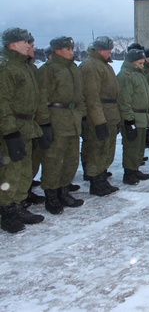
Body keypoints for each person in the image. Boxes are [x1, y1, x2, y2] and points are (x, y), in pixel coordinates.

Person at [0, 27, 48, 233]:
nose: (29, 45)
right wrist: (10, 132)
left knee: (24, 171)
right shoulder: (7, 67)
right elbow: (2, 102)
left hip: (27, 126)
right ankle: (6, 211)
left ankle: (18, 205)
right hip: (13, 127)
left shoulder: (25, 66)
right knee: (11, 172)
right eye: (24, 42)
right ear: (12, 45)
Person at [36, 36, 86, 214]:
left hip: (73, 119)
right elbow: (41, 98)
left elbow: (81, 96)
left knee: (71, 159)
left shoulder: (74, 68)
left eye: (72, 49)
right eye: (67, 49)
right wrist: (44, 123)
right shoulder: (48, 70)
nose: (71, 52)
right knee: (53, 159)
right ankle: (51, 195)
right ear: (57, 51)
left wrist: (82, 114)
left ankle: (63, 191)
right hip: (56, 119)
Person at [79, 36, 120, 196]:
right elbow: (92, 97)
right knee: (98, 149)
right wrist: (99, 121)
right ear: (99, 50)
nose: (110, 52)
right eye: (108, 50)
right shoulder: (91, 66)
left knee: (106, 149)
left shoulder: (103, 65)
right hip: (101, 114)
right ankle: (96, 182)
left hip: (109, 113)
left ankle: (101, 178)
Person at [117, 49, 149, 184]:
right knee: (132, 146)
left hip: (142, 116)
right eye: (140, 63)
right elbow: (124, 100)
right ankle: (129, 172)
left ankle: (135, 168)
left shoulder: (138, 74)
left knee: (139, 146)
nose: (143, 65)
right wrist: (129, 120)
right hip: (133, 116)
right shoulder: (126, 76)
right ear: (132, 62)